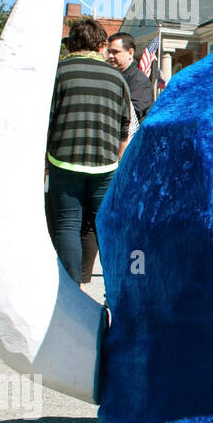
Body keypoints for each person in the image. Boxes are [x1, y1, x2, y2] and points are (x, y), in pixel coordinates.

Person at [48, 18, 132, 284]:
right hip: (105, 164)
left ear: (72, 43)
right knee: (97, 227)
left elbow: (46, 118)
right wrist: (117, 162)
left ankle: (72, 287)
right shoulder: (117, 78)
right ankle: (97, 285)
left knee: (67, 223)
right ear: (100, 45)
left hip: (64, 160)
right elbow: (125, 125)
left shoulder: (58, 72)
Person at [106, 32, 155, 122]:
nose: (110, 56)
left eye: (115, 52)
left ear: (130, 53)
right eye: (109, 52)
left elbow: (133, 112)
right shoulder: (110, 75)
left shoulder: (139, 81)